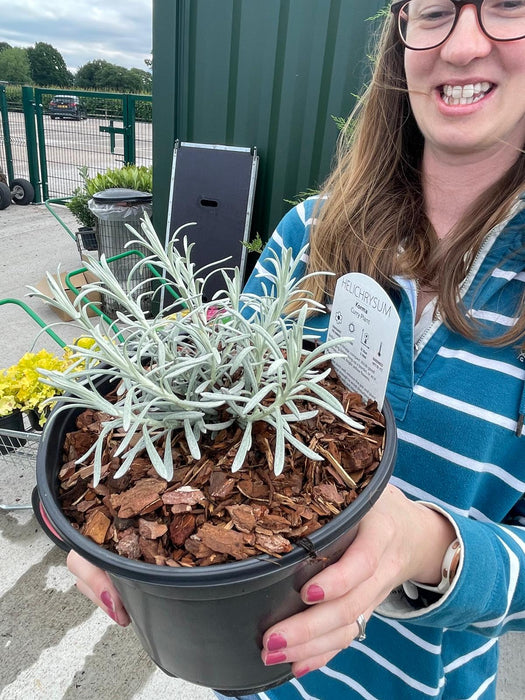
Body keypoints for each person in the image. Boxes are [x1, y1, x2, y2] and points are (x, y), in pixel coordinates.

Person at [67, 1, 525, 698]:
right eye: (432, 10)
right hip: (248, 677)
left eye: (507, 6)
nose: (462, 45)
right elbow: (220, 408)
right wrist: (105, 512)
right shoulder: (310, 232)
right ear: (399, 39)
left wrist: (424, 545)